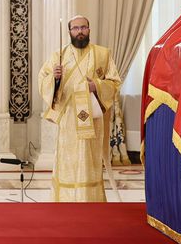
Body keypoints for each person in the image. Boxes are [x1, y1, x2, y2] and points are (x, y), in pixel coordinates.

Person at [37, 15, 122, 202]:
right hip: (69, 118)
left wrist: (97, 86)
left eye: (83, 27)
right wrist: (55, 78)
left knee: (90, 156)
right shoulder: (58, 55)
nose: (80, 31)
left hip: (92, 116)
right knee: (69, 157)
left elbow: (115, 82)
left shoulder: (102, 54)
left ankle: (90, 198)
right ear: (69, 32)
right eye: (75, 28)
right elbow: (43, 80)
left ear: (89, 30)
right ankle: (66, 199)